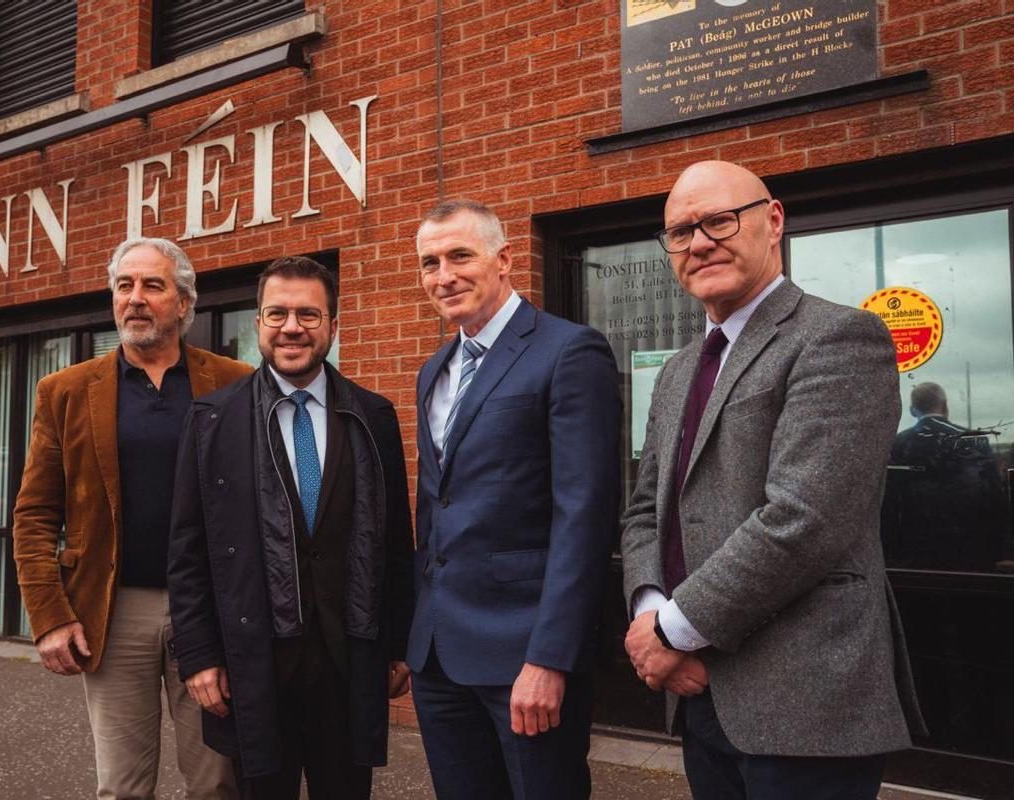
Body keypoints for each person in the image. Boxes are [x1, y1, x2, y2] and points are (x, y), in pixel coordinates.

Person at [621, 160, 926, 800]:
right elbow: (647, 509)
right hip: (698, 689)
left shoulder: (839, 337)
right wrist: (651, 610)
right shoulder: (677, 369)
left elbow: (804, 519)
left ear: (773, 220)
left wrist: (671, 630)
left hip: (804, 698)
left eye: (719, 220)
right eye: (680, 232)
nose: (699, 241)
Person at [167, 256, 414, 800]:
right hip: (253, 661)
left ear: (333, 324)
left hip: (348, 658)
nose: (292, 327)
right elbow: (188, 552)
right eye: (276, 314)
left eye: (308, 313)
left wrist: (399, 644)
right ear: (258, 324)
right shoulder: (211, 419)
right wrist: (199, 655)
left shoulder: (373, 415)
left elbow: (397, 540)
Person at [13, 237, 250, 800]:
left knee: (219, 779)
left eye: (153, 285)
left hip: (211, 610)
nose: (136, 299)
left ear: (185, 302)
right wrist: (49, 615)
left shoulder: (237, 382)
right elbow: (34, 513)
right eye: (125, 286)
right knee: (122, 785)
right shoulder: (65, 391)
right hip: (115, 611)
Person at [407, 199, 621, 799]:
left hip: (525, 657)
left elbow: (584, 516)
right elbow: (436, 510)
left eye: (459, 256)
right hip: (439, 656)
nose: (443, 275)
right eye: (429, 263)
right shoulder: (433, 371)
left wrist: (551, 657)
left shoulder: (568, 351)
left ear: (504, 260)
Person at [884, 381, 1006, 571]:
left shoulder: (898, 443)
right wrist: (1000, 550)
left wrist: (891, 551)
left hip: (916, 547)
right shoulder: (973, 440)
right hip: (969, 545)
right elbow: (993, 495)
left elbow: (890, 500)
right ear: (945, 405)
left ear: (912, 410)